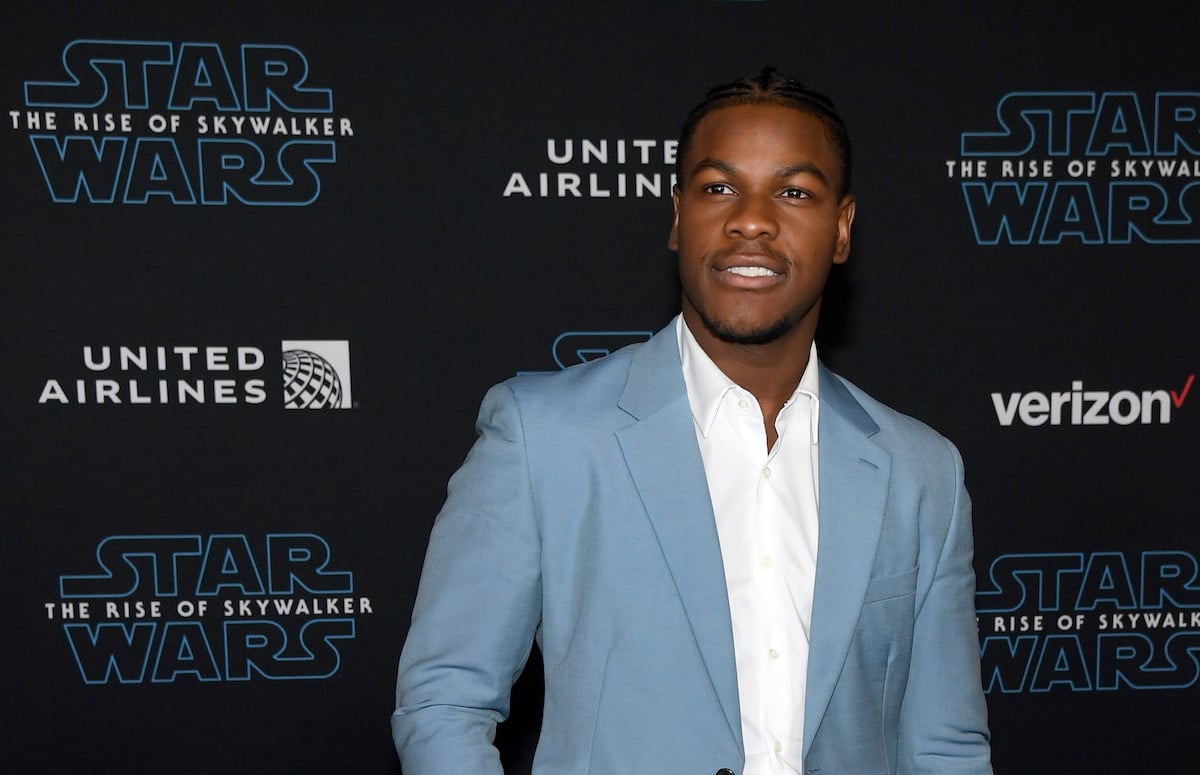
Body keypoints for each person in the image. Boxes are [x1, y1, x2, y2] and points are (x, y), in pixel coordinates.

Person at [392, 68, 993, 774]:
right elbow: (445, 703)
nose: (752, 219)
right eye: (718, 188)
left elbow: (944, 746)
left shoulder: (919, 471)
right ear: (678, 216)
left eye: (793, 192)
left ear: (842, 228)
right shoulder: (543, 437)